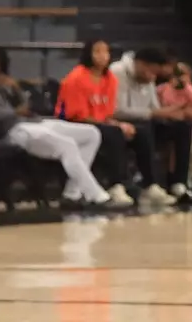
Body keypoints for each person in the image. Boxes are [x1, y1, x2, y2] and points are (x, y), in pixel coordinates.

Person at [0, 46, 122, 210]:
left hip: (30, 122)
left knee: (91, 134)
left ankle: (72, 194)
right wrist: (14, 111)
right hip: (10, 131)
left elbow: (25, 106)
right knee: (67, 145)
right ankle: (97, 196)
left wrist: (15, 88)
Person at [56, 38, 137, 208]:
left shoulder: (110, 79)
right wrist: (115, 126)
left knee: (140, 132)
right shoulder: (76, 77)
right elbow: (76, 115)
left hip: (98, 123)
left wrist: (118, 124)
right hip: (73, 123)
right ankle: (116, 185)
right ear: (88, 54)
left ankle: (148, 185)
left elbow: (106, 114)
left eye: (106, 51)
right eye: (97, 51)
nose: (103, 55)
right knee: (114, 133)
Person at [109, 48, 180, 206]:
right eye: (151, 72)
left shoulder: (149, 77)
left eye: (156, 74)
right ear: (141, 64)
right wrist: (153, 113)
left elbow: (154, 107)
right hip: (119, 121)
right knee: (143, 130)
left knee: (181, 127)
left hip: (143, 120)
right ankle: (147, 185)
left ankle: (178, 183)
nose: (153, 77)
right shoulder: (118, 72)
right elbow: (117, 110)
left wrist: (170, 113)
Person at [158, 60, 192, 200]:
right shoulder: (164, 88)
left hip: (186, 124)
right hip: (166, 122)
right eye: (176, 74)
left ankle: (188, 176)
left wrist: (186, 87)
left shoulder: (190, 90)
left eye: (182, 74)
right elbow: (164, 103)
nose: (179, 77)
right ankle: (176, 179)